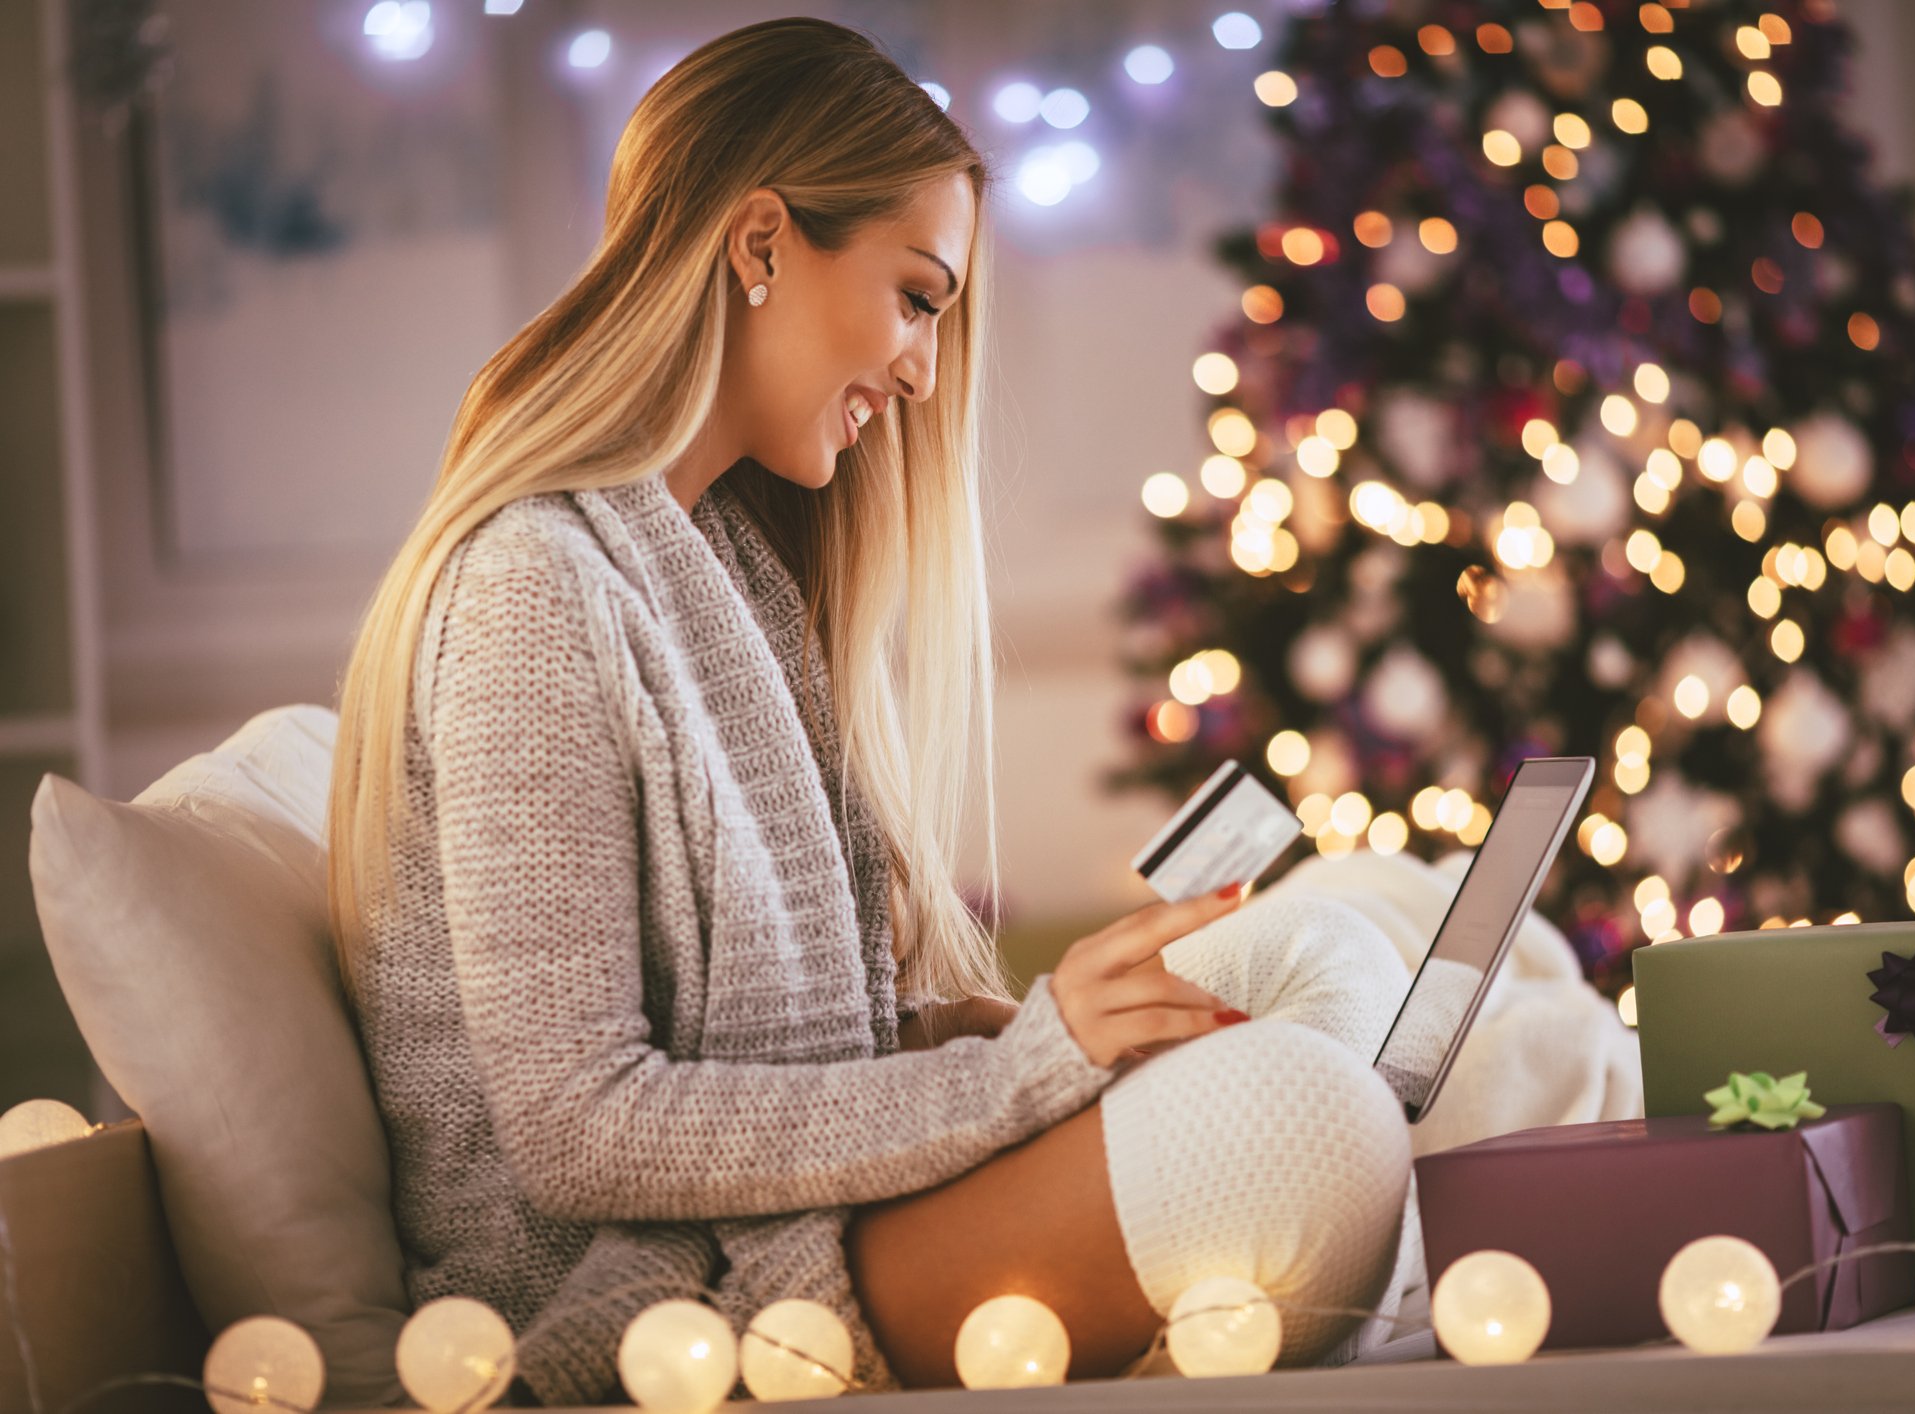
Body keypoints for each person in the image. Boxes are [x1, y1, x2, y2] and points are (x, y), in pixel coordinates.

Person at [326, 17, 1420, 1405]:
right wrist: (1015, 1078)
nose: (918, 371)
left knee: (1319, 954)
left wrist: (951, 1032)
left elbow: (755, 1040)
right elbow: (579, 1130)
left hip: (800, 1205)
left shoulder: (729, 565)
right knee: (1303, 1127)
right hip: (682, 1284)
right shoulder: (530, 588)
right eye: (915, 297)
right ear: (762, 243)